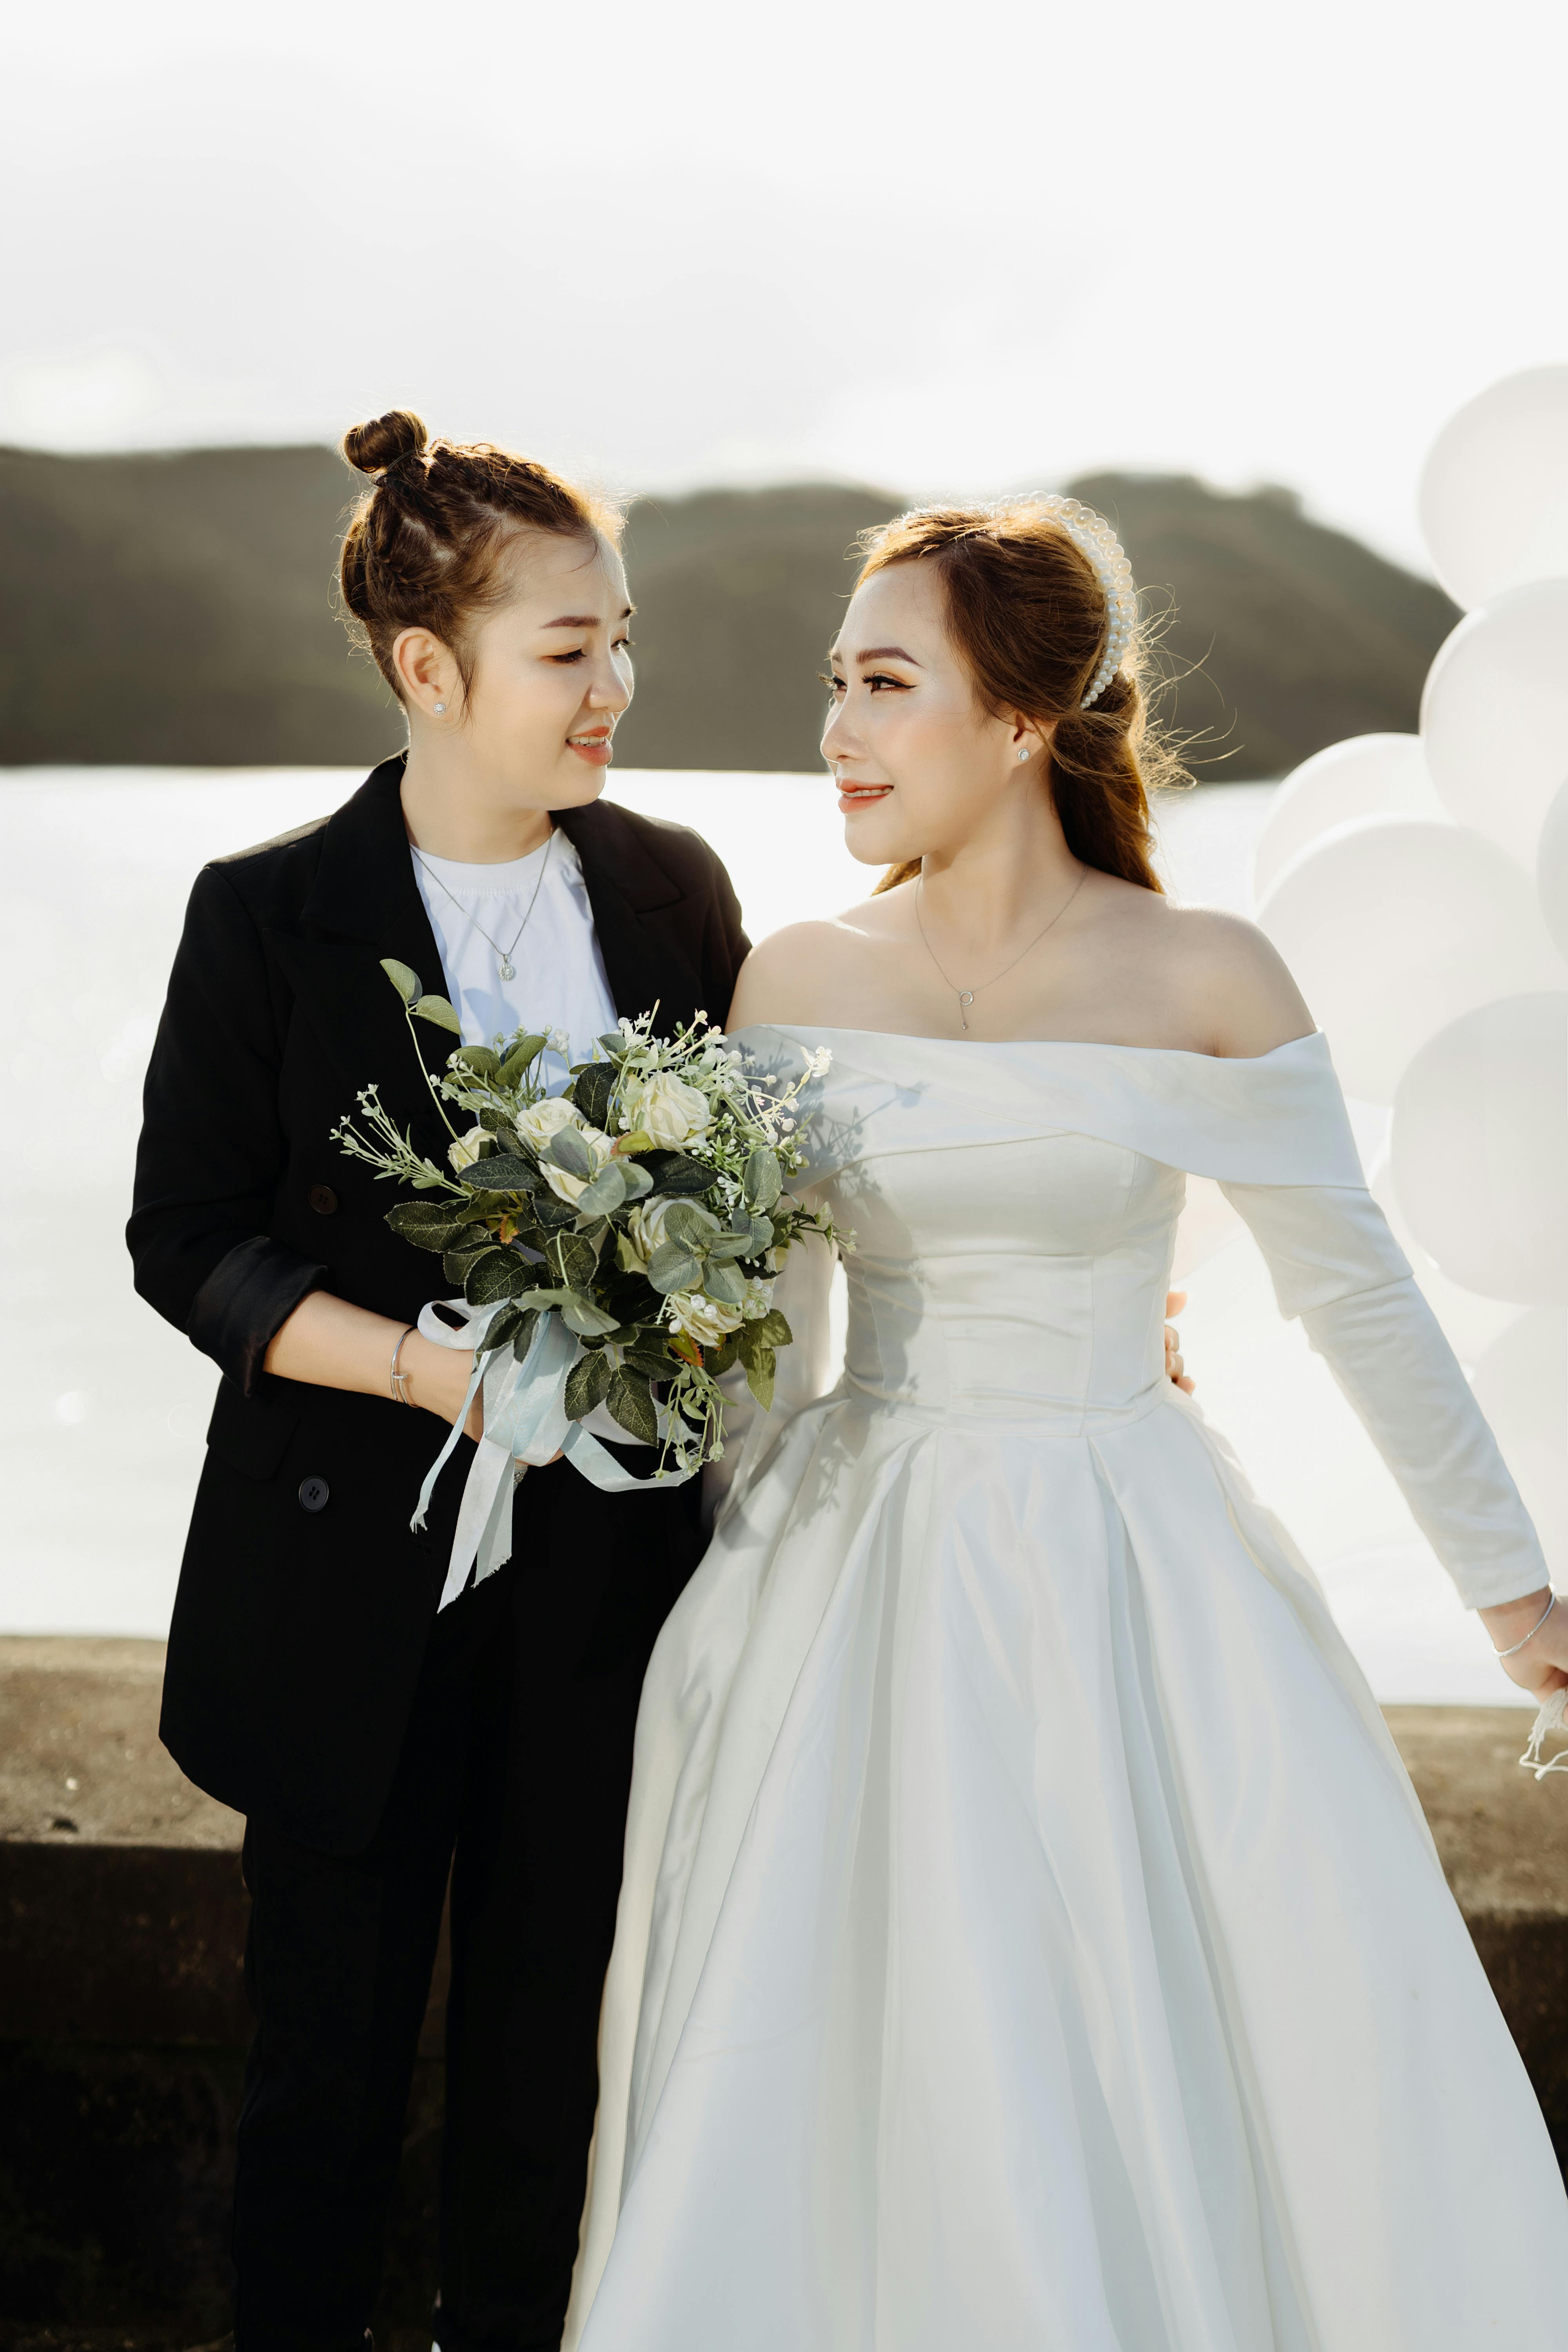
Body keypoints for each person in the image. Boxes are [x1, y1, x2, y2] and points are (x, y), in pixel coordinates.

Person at [564, 496, 1568, 2348]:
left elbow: (1360, 1306)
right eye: (833, 687)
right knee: (834, 2060)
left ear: (1024, 721)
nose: (837, 732)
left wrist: (1520, 1610)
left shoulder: (1205, 980)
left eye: (883, 687)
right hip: (844, 1576)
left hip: (1128, 1570)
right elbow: (763, 1360)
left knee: (1142, 2039)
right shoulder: (791, 980)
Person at [127, 410, 755, 2352]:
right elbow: (188, 1241)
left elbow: (752, 1201)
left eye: (621, 641)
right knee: (318, 2105)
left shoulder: (669, 894)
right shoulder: (266, 912)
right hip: (338, 1592)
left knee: (545, 2100)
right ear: (428, 666)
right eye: (570, 651)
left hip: (609, 1598)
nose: (614, 690)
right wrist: (420, 1369)